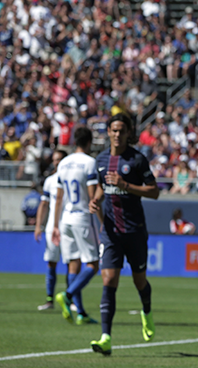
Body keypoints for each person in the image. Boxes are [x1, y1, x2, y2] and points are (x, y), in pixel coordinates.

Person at [89, 114, 160, 355]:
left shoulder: (137, 160)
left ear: (129, 133)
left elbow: (154, 192)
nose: (117, 134)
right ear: (108, 131)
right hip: (110, 232)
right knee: (109, 281)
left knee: (139, 281)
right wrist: (96, 200)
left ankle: (147, 311)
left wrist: (126, 185)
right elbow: (101, 185)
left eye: (122, 130)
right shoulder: (100, 160)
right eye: (114, 130)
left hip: (134, 231)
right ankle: (105, 337)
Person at [52, 127, 99, 325]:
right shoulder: (89, 162)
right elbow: (92, 196)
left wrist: (55, 225)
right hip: (82, 217)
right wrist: (102, 221)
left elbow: (59, 197)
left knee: (73, 264)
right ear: (89, 142)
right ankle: (68, 295)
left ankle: (80, 313)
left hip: (66, 219)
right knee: (93, 264)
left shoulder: (63, 163)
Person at [34, 149, 68, 311]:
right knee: (51, 262)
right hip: (51, 228)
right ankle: (49, 300)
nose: (57, 162)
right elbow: (44, 204)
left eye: (60, 159)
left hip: (69, 226)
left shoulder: (71, 179)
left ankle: (71, 299)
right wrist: (38, 226)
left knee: (71, 263)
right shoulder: (50, 181)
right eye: (55, 160)